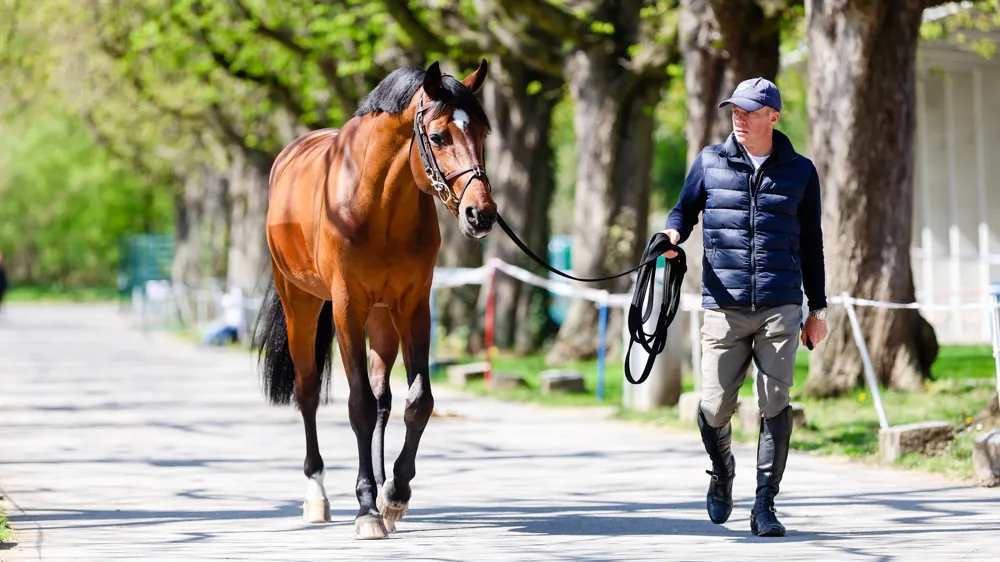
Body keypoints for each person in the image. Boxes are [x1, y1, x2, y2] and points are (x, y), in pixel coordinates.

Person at [661, 77, 828, 537]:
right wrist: (672, 235)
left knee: (776, 402)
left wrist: (819, 310)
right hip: (724, 305)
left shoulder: (801, 171)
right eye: (734, 109)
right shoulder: (710, 162)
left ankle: (765, 504)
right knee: (714, 407)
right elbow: (683, 210)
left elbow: (812, 243)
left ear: (773, 117)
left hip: (781, 306)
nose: (739, 117)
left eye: (749, 111)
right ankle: (722, 472)